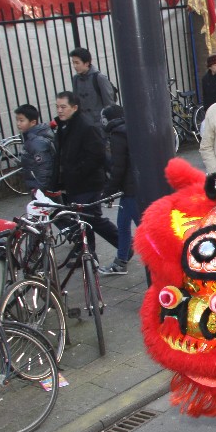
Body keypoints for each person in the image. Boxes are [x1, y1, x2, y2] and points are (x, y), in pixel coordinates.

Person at [51, 91, 120, 253]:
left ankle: (124, 246)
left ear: (74, 107)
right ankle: (88, 255)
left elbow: (97, 156)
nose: (59, 110)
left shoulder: (86, 127)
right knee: (83, 221)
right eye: (57, 107)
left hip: (87, 184)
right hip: (73, 183)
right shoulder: (64, 126)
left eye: (63, 107)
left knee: (92, 219)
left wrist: (76, 172)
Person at [98, 105, 138, 274]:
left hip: (130, 189)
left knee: (141, 228)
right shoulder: (130, 129)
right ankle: (121, 260)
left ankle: (162, 260)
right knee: (123, 224)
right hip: (133, 186)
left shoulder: (117, 135)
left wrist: (108, 191)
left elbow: (118, 167)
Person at [69, 47, 116, 127]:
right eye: (73, 63)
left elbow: (109, 104)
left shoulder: (99, 77)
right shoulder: (76, 79)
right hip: (84, 124)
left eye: (77, 63)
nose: (74, 66)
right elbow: (76, 101)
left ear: (86, 63)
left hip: (100, 124)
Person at [14, 104, 56, 194]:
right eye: (17, 120)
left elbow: (44, 168)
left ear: (33, 122)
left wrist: (40, 190)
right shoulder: (30, 139)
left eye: (21, 120)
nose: (18, 123)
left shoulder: (36, 141)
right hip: (36, 186)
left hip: (42, 189)